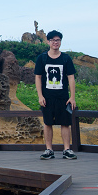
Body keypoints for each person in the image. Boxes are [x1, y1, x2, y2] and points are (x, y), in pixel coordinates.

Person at [34, 30, 77, 160]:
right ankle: (49, 149)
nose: (55, 42)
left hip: (63, 96)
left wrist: (72, 97)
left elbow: (71, 78)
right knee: (47, 123)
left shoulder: (66, 58)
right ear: (48, 42)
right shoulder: (42, 58)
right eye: (52, 40)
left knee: (65, 123)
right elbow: (38, 77)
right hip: (47, 96)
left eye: (57, 40)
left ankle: (67, 149)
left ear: (60, 42)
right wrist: (40, 96)